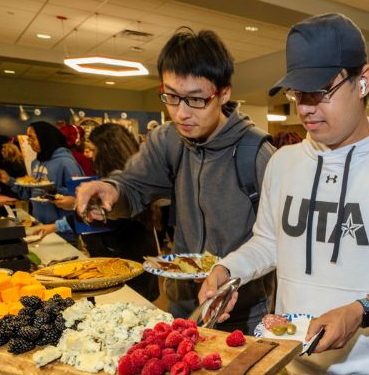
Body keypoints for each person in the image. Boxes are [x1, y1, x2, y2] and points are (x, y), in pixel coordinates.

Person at [200, 13, 369, 375]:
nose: (306, 108)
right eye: (297, 94)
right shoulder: (284, 163)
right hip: (291, 365)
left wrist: (361, 311)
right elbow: (269, 242)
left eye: (321, 90)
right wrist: (229, 269)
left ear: (363, 81)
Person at [74, 28, 276, 328]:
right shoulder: (167, 140)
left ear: (223, 93)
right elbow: (132, 186)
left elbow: (278, 241)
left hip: (242, 310)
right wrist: (111, 190)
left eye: (195, 100)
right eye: (171, 96)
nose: (180, 113)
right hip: (183, 303)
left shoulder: (258, 154)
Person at [33, 124, 162, 300]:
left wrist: (80, 206)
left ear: (108, 151)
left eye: (92, 150)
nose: (88, 155)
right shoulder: (110, 180)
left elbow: (110, 220)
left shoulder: (127, 186)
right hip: (118, 266)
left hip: (127, 267)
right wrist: (58, 223)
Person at [0, 122, 83, 239]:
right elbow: (28, 194)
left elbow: (81, 197)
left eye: (31, 138)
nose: (28, 142)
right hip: (40, 226)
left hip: (63, 231)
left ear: (44, 137)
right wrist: (9, 181)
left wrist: (53, 190)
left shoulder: (66, 162)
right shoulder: (35, 163)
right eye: (27, 138)